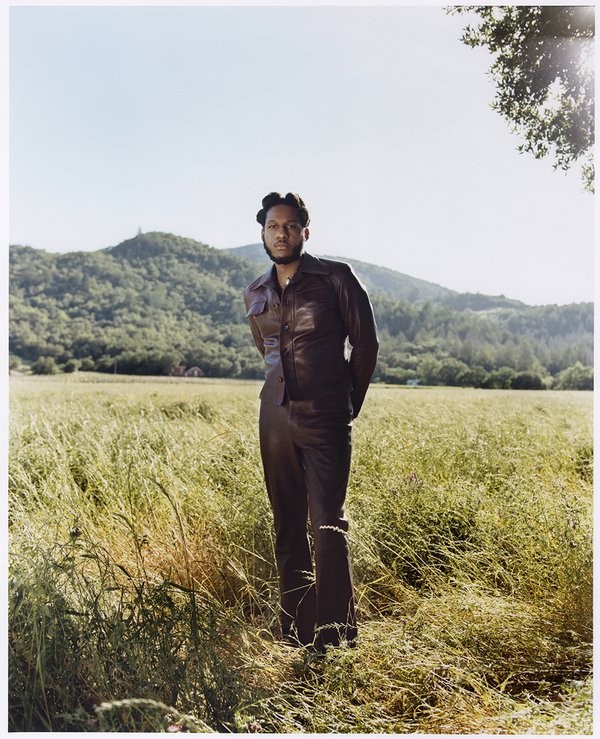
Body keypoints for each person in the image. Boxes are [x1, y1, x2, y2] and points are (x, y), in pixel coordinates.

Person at [244, 191, 379, 651]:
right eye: (271, 227)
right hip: (275, 417)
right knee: (286, 523)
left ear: (305, 230)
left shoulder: (337, 278)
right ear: (262, 233)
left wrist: (346, 403)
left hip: (326, 415)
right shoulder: (256, 292)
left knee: (326, 522)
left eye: (289, 226)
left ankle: (335, 637)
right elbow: (266, 351)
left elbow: (366, 347)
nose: (280, 234)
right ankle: (297, 633)